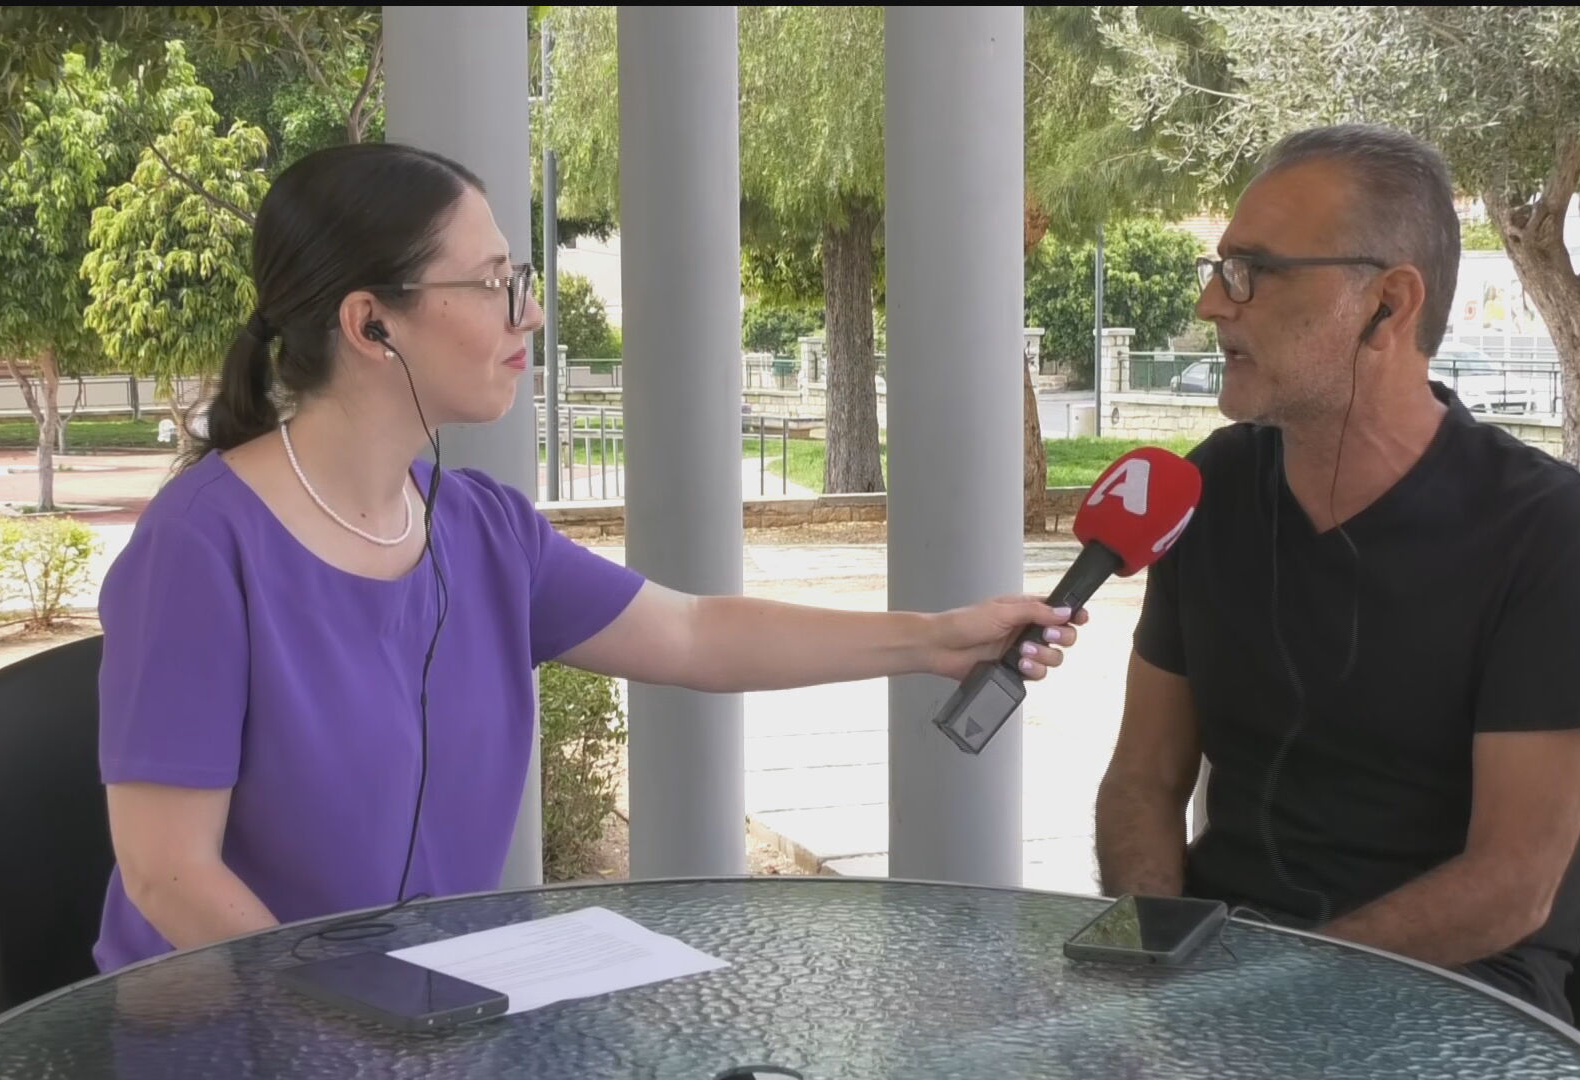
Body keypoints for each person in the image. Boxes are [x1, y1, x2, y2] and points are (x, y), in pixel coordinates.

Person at [95, 142, 1087, 972]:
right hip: (231, 1036)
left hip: (430, 1027)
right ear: (370, 323)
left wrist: (935, 640)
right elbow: (168, 876)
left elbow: (694, 633)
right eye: (495, 285)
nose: (529, 313)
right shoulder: (200, 546)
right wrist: (342, 1022)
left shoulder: (483, 529)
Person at [1092, 124, 1580, 1021]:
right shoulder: (1210, 490)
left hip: (1456, 1001)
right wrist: (1157, 951)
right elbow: (1143, 779)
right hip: (1217, 978)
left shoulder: (1549, 532)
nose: (1212, 304)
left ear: (1388, 304)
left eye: (1252, 271)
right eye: (1219, 268)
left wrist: (1264, 993)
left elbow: (1512, 884)